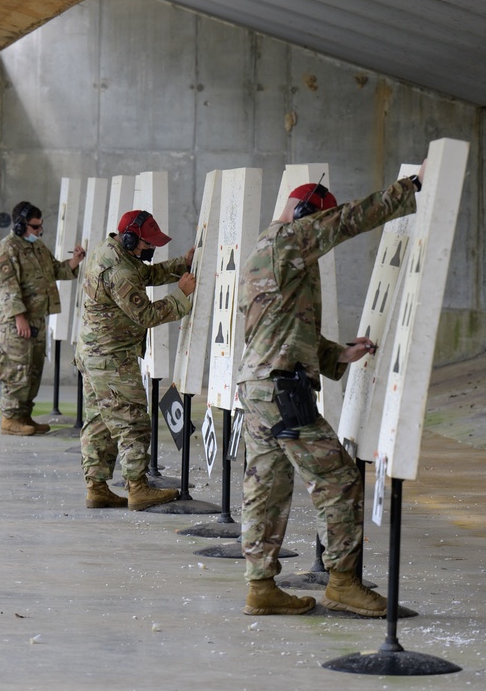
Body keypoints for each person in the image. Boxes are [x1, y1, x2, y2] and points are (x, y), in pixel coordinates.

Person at [236, 164, 423, 616]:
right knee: (338, 479)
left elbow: (285, 328)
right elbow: (348, 220)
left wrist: (338, 355)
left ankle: (261, 588)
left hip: (260, 385)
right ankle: (342, 583)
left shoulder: (266, 249)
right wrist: (409, 189)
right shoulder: (290, 239)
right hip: (282, 391)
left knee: (267, 486)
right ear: (305, 214)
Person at [75, 210, 196, 511]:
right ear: (130, 238)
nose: (150, 249)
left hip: (94, 354)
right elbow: (147, 315)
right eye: (146, 244)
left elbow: (146, 273)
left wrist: (182, 263)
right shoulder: (120, 271)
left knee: (100, 422)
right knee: (132, 423)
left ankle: (97, 488)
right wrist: (181, 296)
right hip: (112, 358)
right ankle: (138, 488)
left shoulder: (111, 251)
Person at [0, 201, 85, 436]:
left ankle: (23, 415)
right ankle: (10, 418)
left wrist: (75, 262)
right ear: (21, 225)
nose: (39, 231)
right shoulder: (6, 250)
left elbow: (55, 270)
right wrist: (19, 318)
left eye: (40, 225)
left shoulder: (38, 248)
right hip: (17, 323)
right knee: (17, 368)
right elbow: (7, 288)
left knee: (33, 369)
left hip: (37, 320)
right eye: (34, 226)